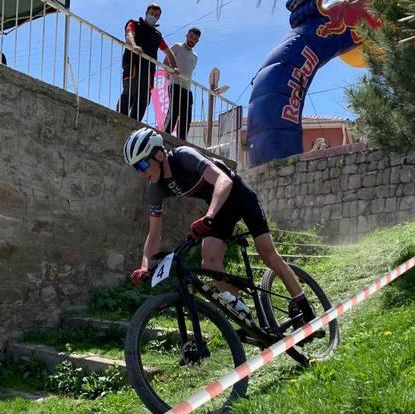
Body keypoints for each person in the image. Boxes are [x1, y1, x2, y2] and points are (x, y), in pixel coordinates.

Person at [124, 127, 316, 323]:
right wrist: (145, 266)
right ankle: (242, 314)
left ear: (158, 155)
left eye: (142, 164)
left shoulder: (183, 156)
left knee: (268, 254)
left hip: (240, 197)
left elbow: (223, 181)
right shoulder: (155, 189)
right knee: (210, 261)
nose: (141, 172)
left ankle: (304, 306)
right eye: (136, 168)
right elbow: (154, 233)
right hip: (220, 211)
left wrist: (209, 216)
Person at [120, 3, 177, 122]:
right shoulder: (134, 24)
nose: (153, 16)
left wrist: (175, 67)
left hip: (148, 71)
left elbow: (168, 52)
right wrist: (134, 46)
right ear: (146, 13)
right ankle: (118, 121)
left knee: (143, 100)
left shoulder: (157, 35)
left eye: (156, 15)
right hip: (133, 65)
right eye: (151, 13)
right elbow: (129, 34)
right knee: (130, 94)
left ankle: (134, 125)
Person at [163, 27, 201, 140]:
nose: (192, 40)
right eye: (191, 37)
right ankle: (165, 136)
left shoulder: (195, 56)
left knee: (186, 117)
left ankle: (181, 141)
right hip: (175, 84)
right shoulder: (177, 47)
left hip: (187, 88)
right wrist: (170, 72)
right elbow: (165, 63)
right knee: (173, 111)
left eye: (195, 39)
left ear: (197, 41)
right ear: (187, 35)